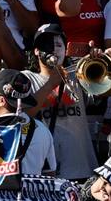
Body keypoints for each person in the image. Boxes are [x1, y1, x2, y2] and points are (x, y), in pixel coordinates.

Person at [23, 23, 98, 179]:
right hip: (49, 170)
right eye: (46, 45)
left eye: (58, 45)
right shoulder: (28, 78)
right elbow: (24, 113)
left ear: (66, 50)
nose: (53, 49)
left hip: (83, 168)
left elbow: (108, 90)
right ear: (36, 51)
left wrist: (98, 61)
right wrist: (51, 83)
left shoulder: (78, 76)